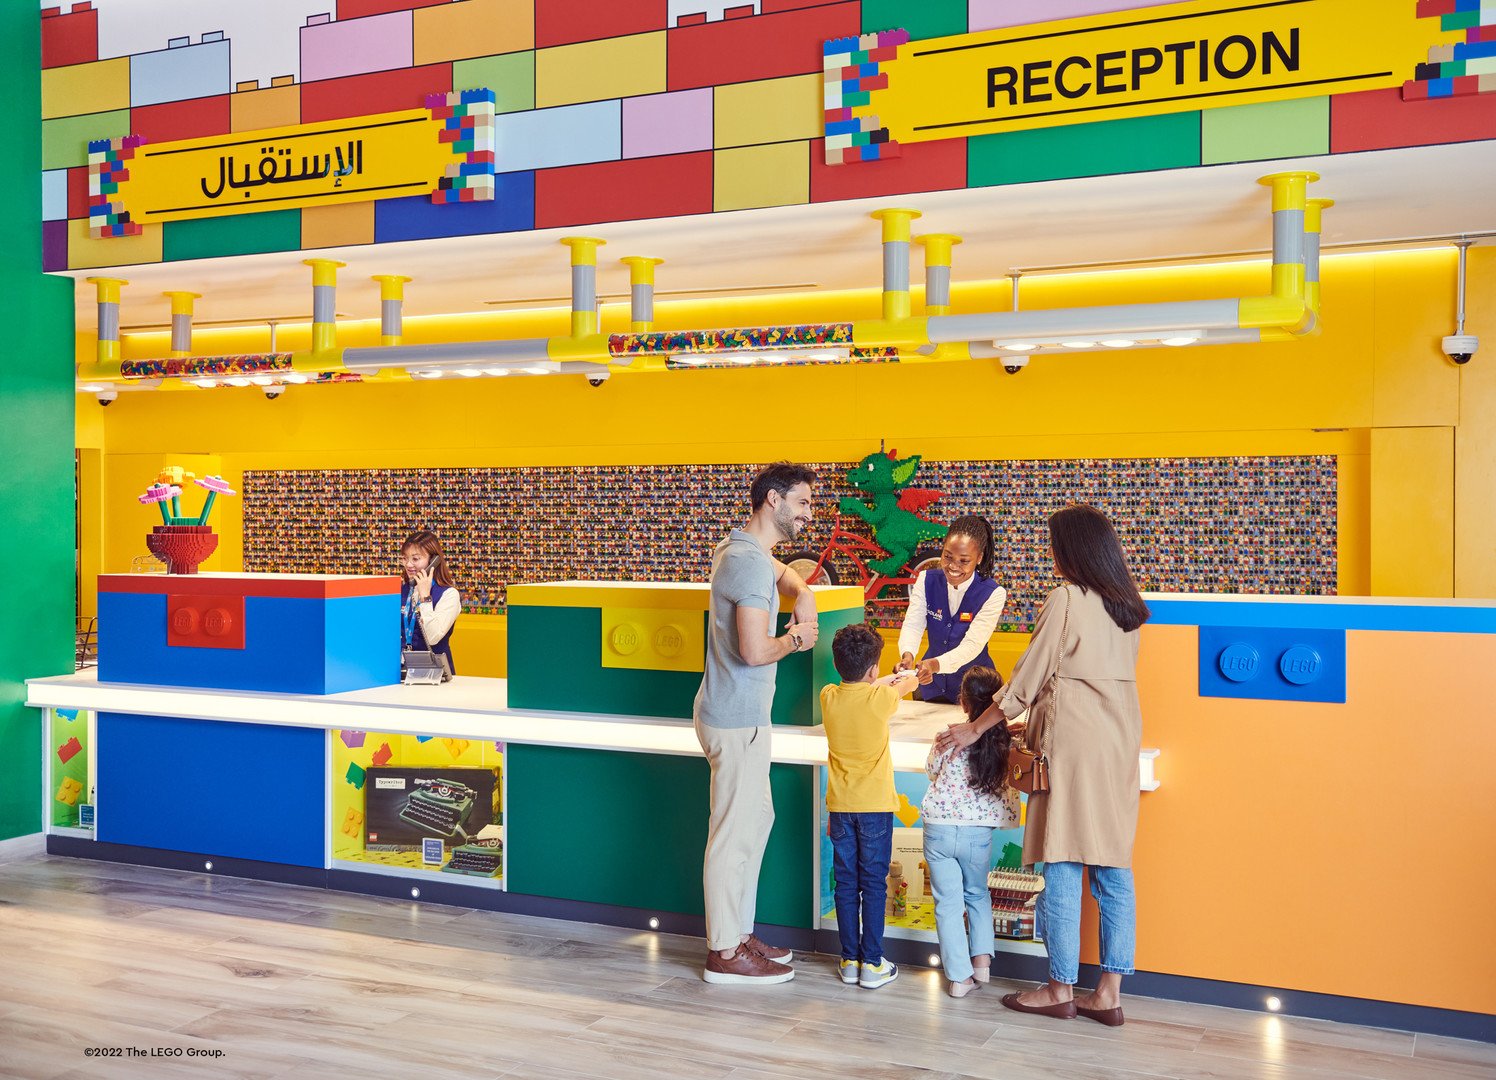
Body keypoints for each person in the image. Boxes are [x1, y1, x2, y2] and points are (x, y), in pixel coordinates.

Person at [935, 504, 1148, 1026]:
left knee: (1063, 860)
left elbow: (1027, 680)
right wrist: (1030, 726)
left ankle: (1059, 987)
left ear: (1072, 549)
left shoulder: (1066, 598)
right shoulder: (1128, 605)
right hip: (1119, 743)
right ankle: (1109, 994)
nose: (1051, 553)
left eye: (1054, 544)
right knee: (1114, 868)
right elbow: (1089, 684)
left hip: (1073, 749)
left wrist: (976, 728)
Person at [696, 461, 822, 985]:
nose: (809, 514)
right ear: (773, 500)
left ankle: (739, 933)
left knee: (755, 821)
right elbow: (752, 651)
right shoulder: (747, 563)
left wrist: (804, 591)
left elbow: (779, 572)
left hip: (741, 716)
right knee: (732, 834)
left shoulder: (739, 548)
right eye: (803, 502)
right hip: (736, 719)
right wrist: (797, 638)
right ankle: (724, 952)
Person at [821, 623, 918, 989]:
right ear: (875, 669)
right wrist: (906, 676)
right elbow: (905, 685)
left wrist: (881, 679)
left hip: (840, 807)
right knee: (874, 884)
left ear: (837, 663)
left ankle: (849, 960)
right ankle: (873, 963)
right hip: (875, 807)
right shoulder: (882, 700)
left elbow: (865, 686)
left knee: (846, 884)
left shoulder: (828, 697)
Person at [921, 667, 1020, 998]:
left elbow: (931, 770)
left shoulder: (948, 736)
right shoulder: (1005, 743)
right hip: (977, 833)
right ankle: (981, 965)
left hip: (939, 828)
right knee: (977, 894)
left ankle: (959, 979)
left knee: (947, 904)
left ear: (963, 702)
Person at [896, 515, 1007, 704]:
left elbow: (972, 646)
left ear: (979, 558)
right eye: (947, 557)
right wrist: (907, 655)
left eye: (964, 561)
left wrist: (935, 665)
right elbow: (913, 624)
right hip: (930, 685)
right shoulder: (926, 580)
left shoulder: (993, 593)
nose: (953, 566)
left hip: (976, 690)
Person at [400, 529, 461, 675]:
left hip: (436, 675)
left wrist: (425, 598)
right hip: (402, 673)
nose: (408, 564)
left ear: (433, 560)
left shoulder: (449, 594)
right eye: (405, 558)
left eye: (415, 559)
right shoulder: (401, 591)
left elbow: (433, 637)